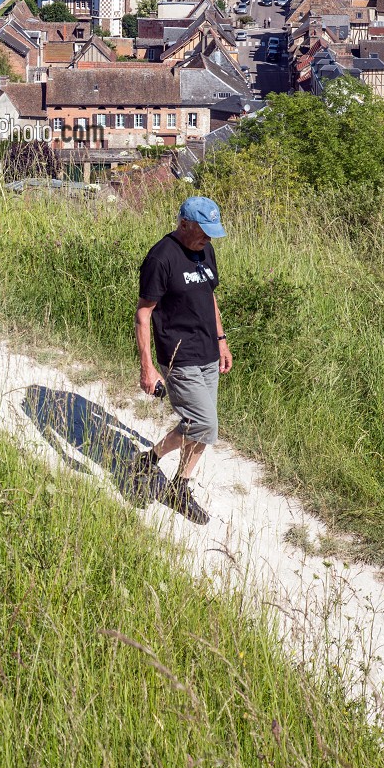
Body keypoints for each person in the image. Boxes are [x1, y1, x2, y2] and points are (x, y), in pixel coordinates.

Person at [129, 196, 232, 524]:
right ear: (184, 224)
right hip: (179, 355)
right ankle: (152, 460)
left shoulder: (205, 250)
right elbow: (143, 315)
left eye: (212, 233)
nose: (208, 238)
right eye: (203, 231)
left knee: (199, 426)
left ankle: (178, 485)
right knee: (206, 424)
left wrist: (222, 340)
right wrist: (147, 368)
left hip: (208, 351)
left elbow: (209, 296)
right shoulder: (161, 258)